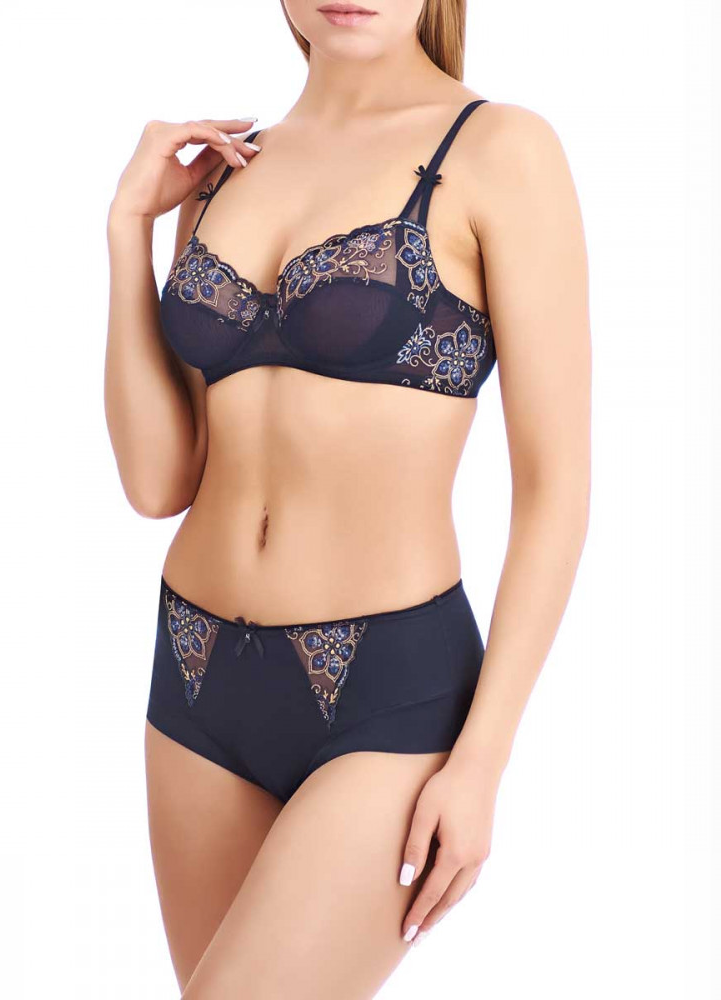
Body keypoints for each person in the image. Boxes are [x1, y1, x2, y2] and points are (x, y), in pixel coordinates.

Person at [104, 0, 591, 996]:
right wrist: (126, 233)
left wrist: (483, 761)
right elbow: (160, 481)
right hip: (194, 672)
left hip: (388, 692)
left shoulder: (500, 149)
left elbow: (556, 488)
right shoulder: (225, 172)